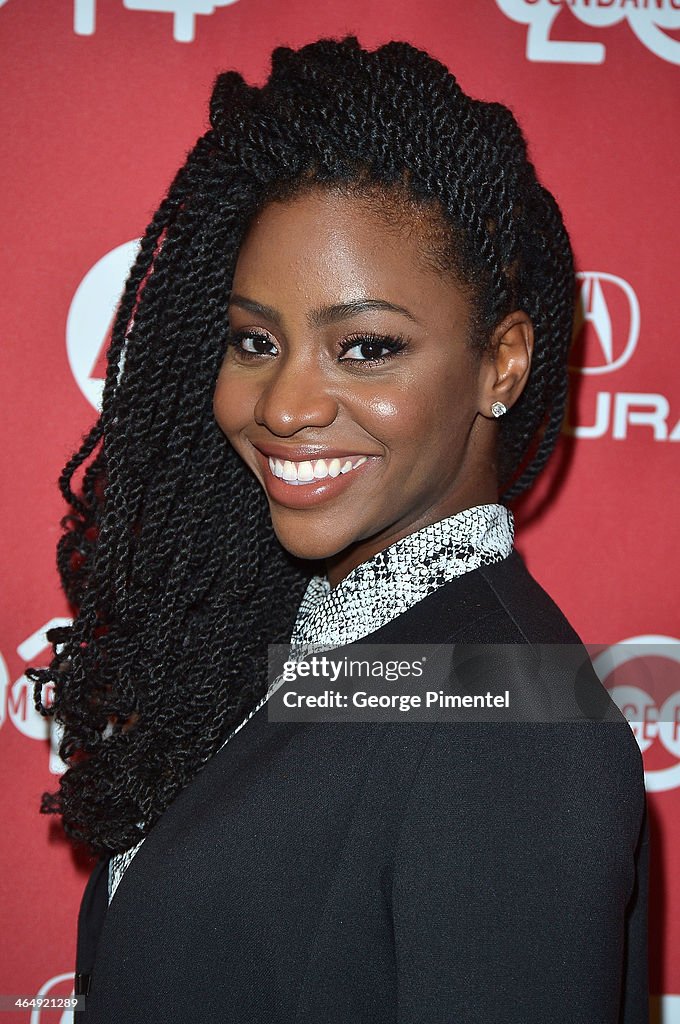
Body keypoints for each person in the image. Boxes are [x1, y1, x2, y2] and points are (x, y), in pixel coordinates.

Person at [30, 35, 648, 1023]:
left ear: (501, 363)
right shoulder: (342, 647)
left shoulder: (517, 732)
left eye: (364, 347)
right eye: (255, 340)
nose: (283, 404)